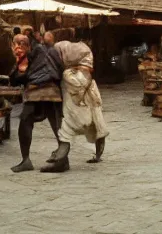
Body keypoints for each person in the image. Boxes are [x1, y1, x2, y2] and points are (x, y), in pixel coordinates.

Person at [43, 40, 109, 172]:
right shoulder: (82, 60)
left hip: (78, 103)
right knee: (96, 124)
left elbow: (76, 86)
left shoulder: (68, 74)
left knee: (68, 129)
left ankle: (60, 158)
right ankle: (95, 155)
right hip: (86, 99)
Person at [9, 34, 63, 173]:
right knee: (25, 123)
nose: (19, 47)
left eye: (22, 44)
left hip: (48, 92)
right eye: (16, 44)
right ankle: (26, 160)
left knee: (57, 127)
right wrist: (19, 61)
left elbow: (29, 76)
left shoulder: (39, 51)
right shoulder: (23, 59)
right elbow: (16, 80)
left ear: (28, 46)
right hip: (38, 93)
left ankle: (63, 160)